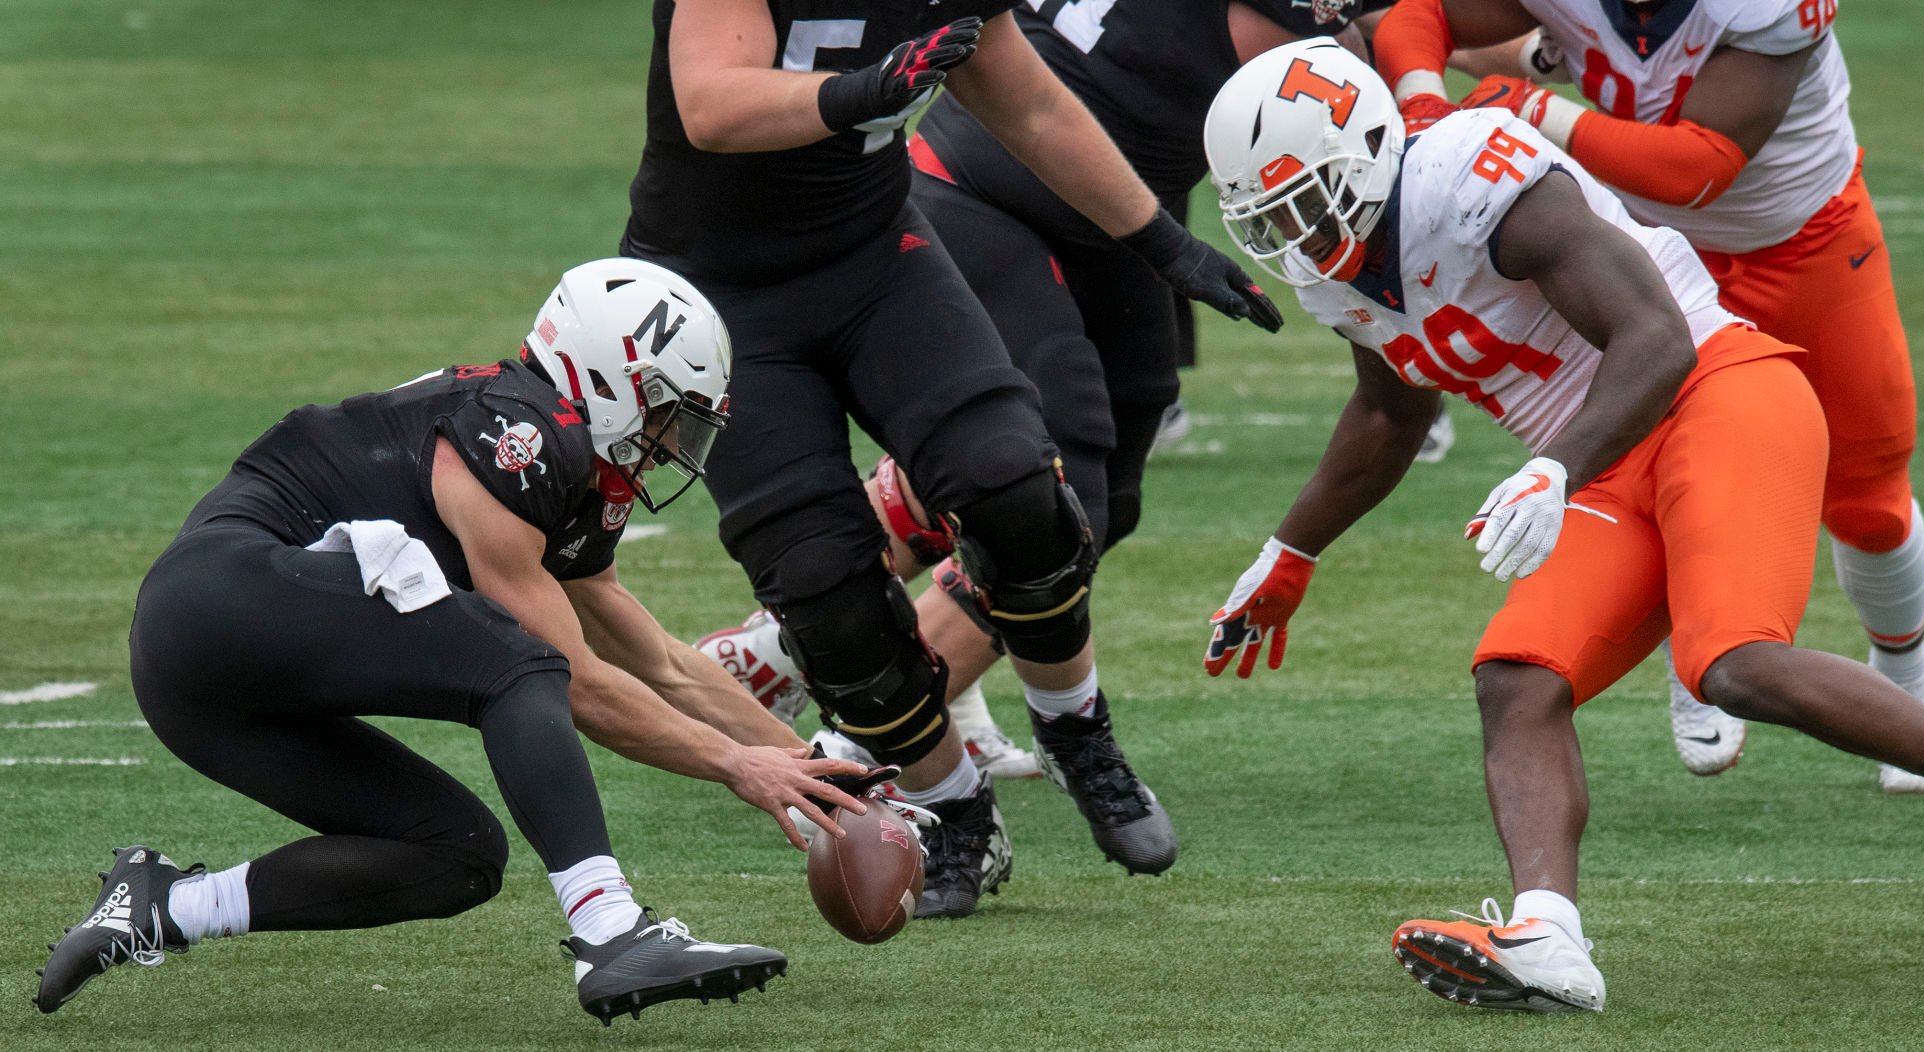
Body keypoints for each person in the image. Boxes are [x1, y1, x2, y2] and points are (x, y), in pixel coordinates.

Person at [1198, 39, 1924, 1013]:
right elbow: (1391, 413)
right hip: (1605, 458)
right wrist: (1292, 549)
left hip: (1715, 394)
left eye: (1310, 204)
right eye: (1275, 220)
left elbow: (1658, 335)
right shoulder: (1335, 277)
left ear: (1369, 156)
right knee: (1519, 677)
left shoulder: (1471, 174)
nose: (1303, 239)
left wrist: (1555, 467)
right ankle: (1550, 938)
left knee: (1732, 661)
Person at [33, 259, 879, 1026]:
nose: (669, 446)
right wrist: (736, 767)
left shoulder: (559, 462)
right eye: (664, 414)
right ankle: (613, 932)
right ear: (606, 377)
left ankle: (161, 907)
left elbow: (657, 661)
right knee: (520, 664)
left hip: (200, 677)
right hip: (222, 598)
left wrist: (815, 768)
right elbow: (571, 681)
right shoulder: (518, 433)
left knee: (456, 857)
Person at [625, 1, 1284, 917]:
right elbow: (713, 103)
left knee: (1014, 486)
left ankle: (1072, 721)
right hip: (720, 286)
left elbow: (1031, 107)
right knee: (823, 594)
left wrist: (1162, 242)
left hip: (873, 255)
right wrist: (869, 88)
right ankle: (948, 803)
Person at [694, 0, 1392, 806]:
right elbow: (1347, 72)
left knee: (1105, 497)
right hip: (988, 185)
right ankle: (890, 729)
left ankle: (789, 655)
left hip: (1108, 206)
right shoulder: (1283, 20)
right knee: (1062, 485)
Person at [1372, 0, 1924, 790]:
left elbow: (1698, 169)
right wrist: (1423, 107)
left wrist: (1533, 105)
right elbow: (1420, 13)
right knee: (1664, 447)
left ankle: (1906, 673)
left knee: (1867, 500)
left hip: (1805, 240)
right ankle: (1702, 629)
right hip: (1640, 251)